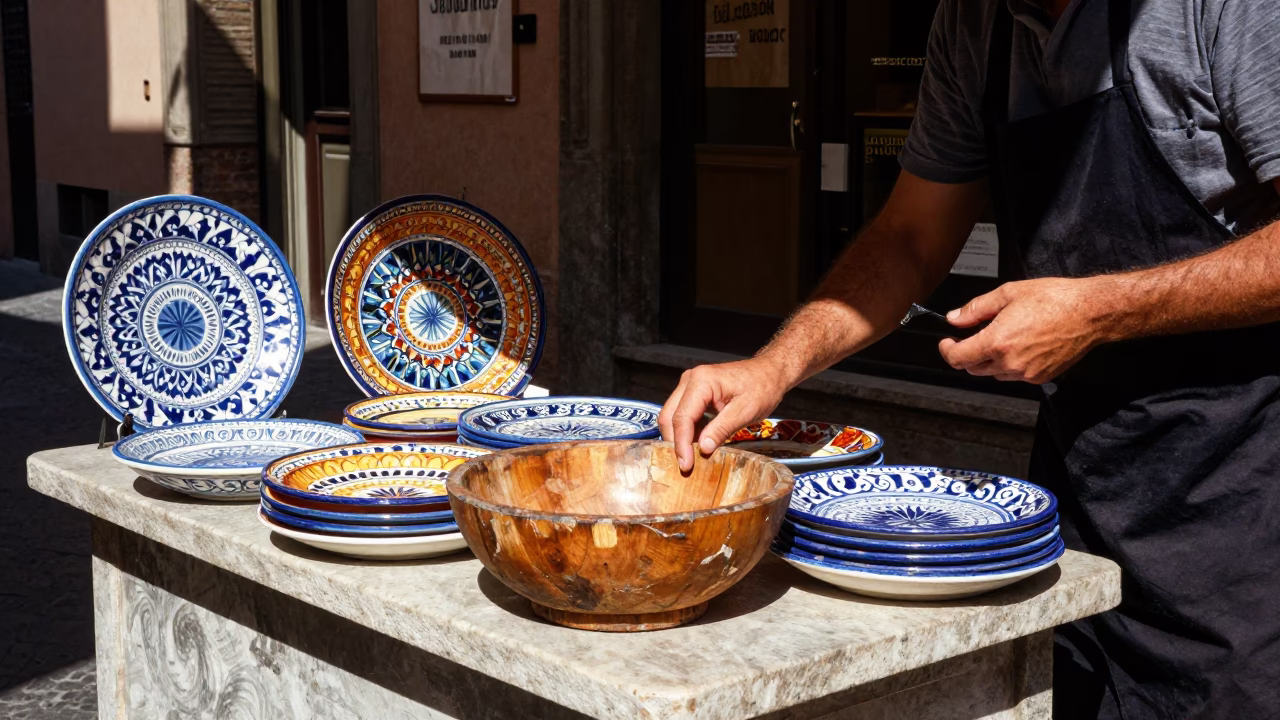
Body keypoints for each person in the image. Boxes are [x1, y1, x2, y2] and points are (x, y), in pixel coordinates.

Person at [658, 0, 1280, 716]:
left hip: (1246, 499)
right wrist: (772, 367)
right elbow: (911, 238)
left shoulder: (1224, 11)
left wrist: (1097, 311)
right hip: (1080, 487)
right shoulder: (970, 24)